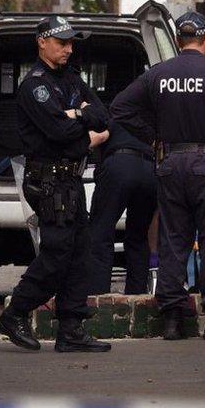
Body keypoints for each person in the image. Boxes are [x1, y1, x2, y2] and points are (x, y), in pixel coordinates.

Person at [112, 11, 205, 340]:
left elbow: (120, 107)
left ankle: (172, 319)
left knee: (173, 240)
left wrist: (152, 136)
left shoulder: (158, 75)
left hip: (168, 164)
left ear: (178, 41)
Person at [0, 16, 112, 353]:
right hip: (49, 181)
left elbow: (104, 116)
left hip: (71, 179)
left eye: (71, 43)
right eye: (62, 43)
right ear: (42, 42)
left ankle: (71, 329)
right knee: (57, 253)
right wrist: (78, 117)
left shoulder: (72, 80)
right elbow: (59, 132)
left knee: (78, 254)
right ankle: (14, 313)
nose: (68, 49)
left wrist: (74, 115)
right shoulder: (35, 86)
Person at [86, 121, 157, 295]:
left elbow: (95, 139)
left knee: (100, 234)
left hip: (118, 165)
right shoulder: (145, 119)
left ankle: (99, 297)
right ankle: (137, 297)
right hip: (149, 170)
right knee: (138, 238)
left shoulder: (110, 115)